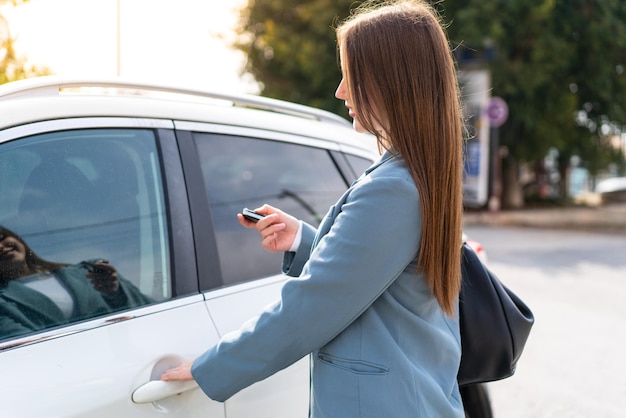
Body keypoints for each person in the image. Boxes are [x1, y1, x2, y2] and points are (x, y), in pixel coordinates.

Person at [162, 0, 465, 416]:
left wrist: (209, 367)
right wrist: (305, 240)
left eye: (351, 76)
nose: (340, 90)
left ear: (391, 81)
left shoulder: (393, 189)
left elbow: (310, 309)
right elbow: (378, 279)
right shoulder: (417, 174)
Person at [0, 225, 153, 339]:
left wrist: (115, 292)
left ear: (17, 238)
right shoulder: (3, 302)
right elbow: (23, 346)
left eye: (2, 238)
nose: (1, 246)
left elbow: (148, 311)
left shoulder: (88, 270)